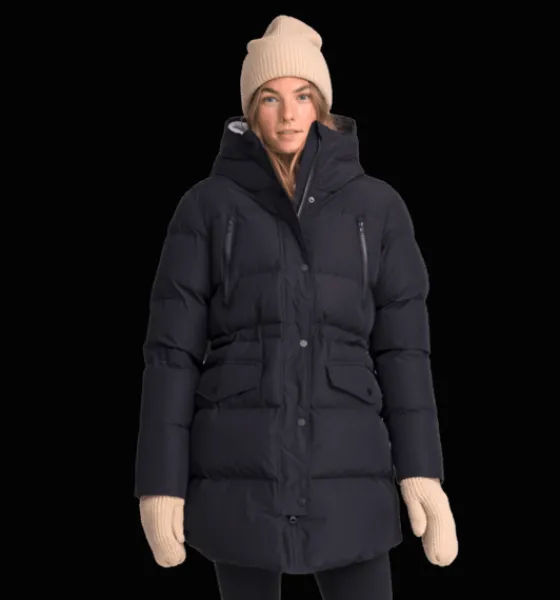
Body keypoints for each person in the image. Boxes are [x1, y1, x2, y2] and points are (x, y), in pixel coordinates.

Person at [134, 14, 458, 599]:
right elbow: (171, 355)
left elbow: (404, 352)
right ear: (248, 111)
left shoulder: (377, 208)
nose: (287, 114)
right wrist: (160, 484)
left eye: (303, 96)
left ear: (323, 107)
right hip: (238, 473)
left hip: (350, 474)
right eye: (270, 98)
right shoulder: (207, 208)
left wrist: (423, 473)